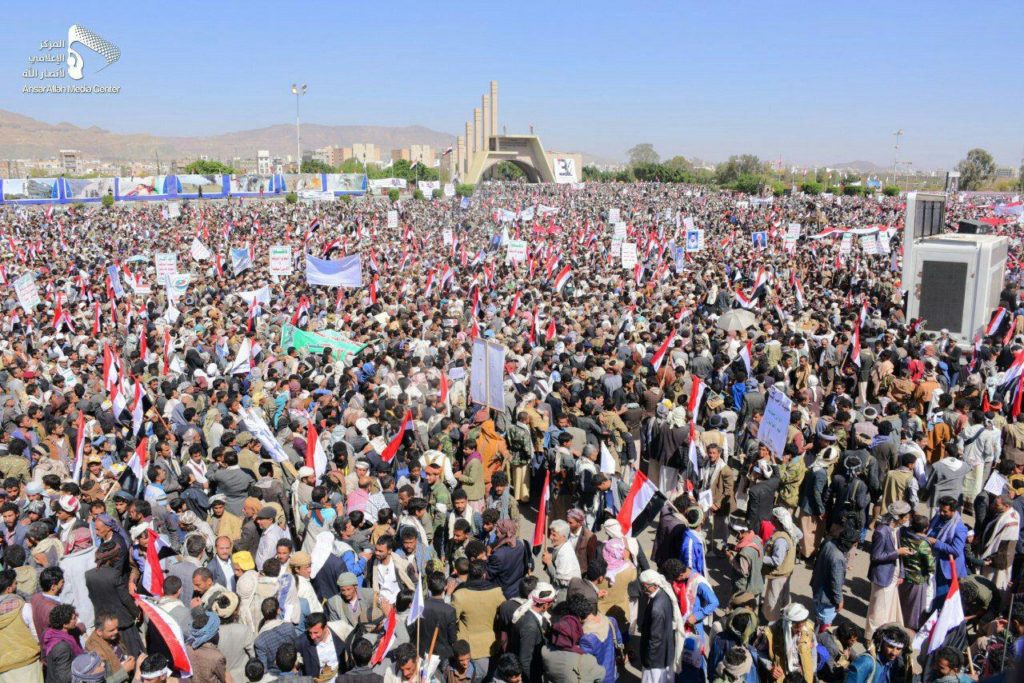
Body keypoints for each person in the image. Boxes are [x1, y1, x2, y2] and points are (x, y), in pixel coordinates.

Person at [865, 502, 912, 639]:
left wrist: (901, 573)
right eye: (906, 516)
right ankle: (870, 638)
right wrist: (897, 552)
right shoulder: (881, 531)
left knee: (888, 610)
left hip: (893, 574)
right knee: (877, 611)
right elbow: (876, 556)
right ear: (899, 517)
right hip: (882, 576)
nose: (908, 518)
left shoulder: (896, 529)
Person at [451, 560, 504, 676]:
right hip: (492, 644)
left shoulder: (459, 595)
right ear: (484, 574)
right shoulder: (497, 592)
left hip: (470, 648)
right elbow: (503, 615)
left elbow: (452, 620)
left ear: (469, 574)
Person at [638, 568, 684, 683]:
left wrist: (649, 661)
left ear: (654, 585)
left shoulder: (656, 609)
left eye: (645, 587)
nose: (644, 590)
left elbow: (655, 639)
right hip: (666, 650)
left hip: (656, 659)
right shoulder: (663, 594)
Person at [926, 496, 969, 610]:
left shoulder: (960, 528)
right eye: (940, 509)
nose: (941, 513)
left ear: (953, 511)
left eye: (945, 511)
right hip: (934, 561)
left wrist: (936, 543)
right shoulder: (938, 518)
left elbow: (956, 550)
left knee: (942, 597)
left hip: (947, 568)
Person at [509, 581, 555, 681]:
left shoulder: (529, 614)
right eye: (551, 603)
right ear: (545, 605)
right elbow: (525, 660)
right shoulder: (530, 627)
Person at [761, 507, 801, 623]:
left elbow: (777, 561)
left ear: (778, 520)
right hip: (787, 573)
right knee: (783, 596)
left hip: (778, 575)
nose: (771, 519)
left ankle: (773, 622)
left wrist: (760, 558)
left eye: (773, 518)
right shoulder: (791, 530)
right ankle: (784, 616)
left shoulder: (780, 540)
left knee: (772, 601)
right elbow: (800, 535)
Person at [761, 603, 817, 683]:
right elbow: (758, 651)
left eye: (803, 625)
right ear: (788, 624)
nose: (800, 630)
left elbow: (813, 650)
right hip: (783, 675)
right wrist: (770, 666)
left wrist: (812, 670)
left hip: (802, 676)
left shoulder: (808, 629)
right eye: (797, 627)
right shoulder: (771, 632)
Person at [294, 612, 349, 681]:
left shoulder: (340, 632)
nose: (312, 637)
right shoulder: (301, 642)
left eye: (316, 632)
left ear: (325, 627)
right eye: (310, 632)